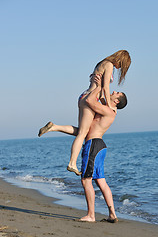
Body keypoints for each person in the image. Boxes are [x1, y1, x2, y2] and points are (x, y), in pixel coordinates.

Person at [38, 76, 127, 222]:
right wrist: (101, 84)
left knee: (86, 180)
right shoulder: (109, 109)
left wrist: (99, 86)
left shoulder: (108, 111)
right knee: (101, 182)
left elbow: (89, 101)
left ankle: (91, 215)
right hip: (99, 146)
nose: (114, 91)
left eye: (117, 93)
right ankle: (112, 215)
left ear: (116, 101)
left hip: (93, 145)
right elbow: (82, 130)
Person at [40, 50, 130, 176]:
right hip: (90, 99)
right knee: (82, 133)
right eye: (123, 65)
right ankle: (72, 163)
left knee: (84, 131)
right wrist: (109, 107)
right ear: (121, 59)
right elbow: (105, 87)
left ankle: (54, 127)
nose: (120, 68)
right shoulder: (109, 64)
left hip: (85, 96)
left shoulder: (102, 63)